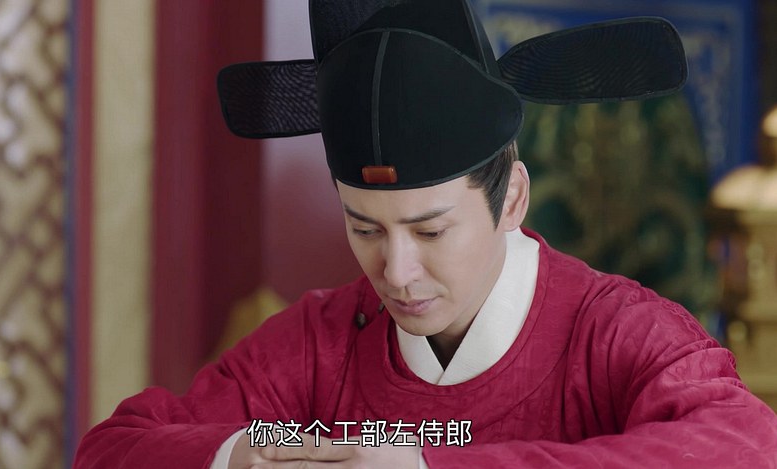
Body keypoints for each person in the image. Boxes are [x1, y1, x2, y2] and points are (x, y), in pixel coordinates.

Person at [74, 0, 777, 467]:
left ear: (512, 198)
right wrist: (243, 456)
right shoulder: (318, 344)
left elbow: (744, 446)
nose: (396, 271)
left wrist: (424, 463)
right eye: (364, 228)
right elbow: (112, 448)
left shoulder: (615, 331)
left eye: (430, 230)